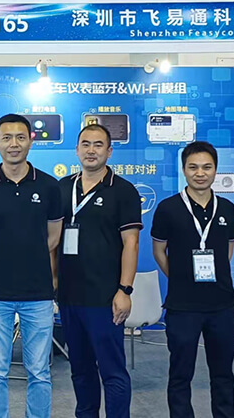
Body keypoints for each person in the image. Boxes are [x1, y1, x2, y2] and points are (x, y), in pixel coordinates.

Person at [0, 113, 64, 418]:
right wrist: (5, 262)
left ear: (30, 142)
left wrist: (29, 259)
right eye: (7, 138)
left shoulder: (49, 186)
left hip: (38, 293)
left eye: (20, 137)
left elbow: (53, 237)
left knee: (39, 371)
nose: (14, 144)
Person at [56, 124, 141, 418]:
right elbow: (52, 241)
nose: (91, 150)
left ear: (109, 151)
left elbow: (131, 243)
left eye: (98, 145)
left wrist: (124, 290)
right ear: (77, 150)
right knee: (80, 369)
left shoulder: (124, 191)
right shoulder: (62, 188)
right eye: (86, 144)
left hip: (105, 298)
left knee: (112, 371)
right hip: (69, 296)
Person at [151, 141, 234, 418]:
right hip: (183, 307)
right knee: (180, 375)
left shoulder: (227, 208)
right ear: (184, 170)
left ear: (215, 170)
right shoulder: (168, 208)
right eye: (193, 167)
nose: (200, 173)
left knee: (223, 375)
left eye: (206, 167)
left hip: (222, 306)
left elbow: (228, 249)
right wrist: (180, 278)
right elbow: (159, 251)